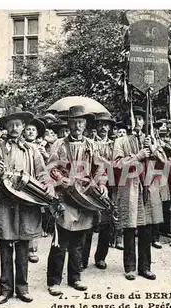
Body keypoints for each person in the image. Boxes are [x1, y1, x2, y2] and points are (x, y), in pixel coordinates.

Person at [0, 111, 53, 305]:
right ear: (6, 127)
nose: (14, 129)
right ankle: (5, 289)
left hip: (26, 203)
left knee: (23, 245)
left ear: (23, 127)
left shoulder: (32, 150)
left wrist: (46, 185)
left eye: (18, 125)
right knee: (5, 245)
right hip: (3, 203)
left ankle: (22, 288)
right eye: (11, 125)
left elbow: (42, 173)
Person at [46, 105, 106, 296]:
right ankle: (54, 281)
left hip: (85, 198)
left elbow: (100, 169)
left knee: (78, 242)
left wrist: (100, 184)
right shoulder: (59, 145)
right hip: (65, 196)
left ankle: (75, 278)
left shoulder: (91, 145)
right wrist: (63, 180)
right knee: (60, 241)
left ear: (85, 124)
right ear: (68, 123)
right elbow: (52, 168)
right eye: (73, 122)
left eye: (80, 122)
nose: (77, 125)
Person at [113, 106, 167, 281]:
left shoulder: (150, 139)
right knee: (130, 227)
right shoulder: (121, 141)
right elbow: (117, 164)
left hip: (148, 186)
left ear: (145, 122)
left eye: (141, 118)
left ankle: (145, 267)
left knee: (147, 228)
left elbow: (164, 163)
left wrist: (154, 150)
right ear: (129, 122)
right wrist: (138, 156)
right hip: (130, 186)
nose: (138, 121)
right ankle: (130, 267)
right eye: (134, 118)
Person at [81, 112, 116, 270]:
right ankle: (83, 257)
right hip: (92, 184)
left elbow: (118, 163)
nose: (103, 127)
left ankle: (101, 257)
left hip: (111, 184)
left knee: (106, 224)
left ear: (110, 127)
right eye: (100, 124)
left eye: (106, 125)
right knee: (89, 221)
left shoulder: (115, 144)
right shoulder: (90, 144)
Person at [22, 117, 47, 264]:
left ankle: (32, 249)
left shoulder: (40, 148)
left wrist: (45, 155)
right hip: (23, 181)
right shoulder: (20, 145)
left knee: (34, 215)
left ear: (37, 133)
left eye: (33, 130)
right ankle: (21, 245)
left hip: (36, 184)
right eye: (28, 129)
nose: (30, 132)